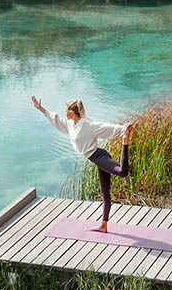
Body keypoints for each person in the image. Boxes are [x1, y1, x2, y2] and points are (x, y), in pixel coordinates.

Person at [31, 95, 133, 233]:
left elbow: (105, 127)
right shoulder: (70, 125)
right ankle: (103, 225)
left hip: (99, 156)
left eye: (65, 110)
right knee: (105, 193)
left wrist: (123, 129)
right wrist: (40, 108)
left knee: (122, 172)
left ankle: (125, 143)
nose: (64, 112)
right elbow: (55, 119)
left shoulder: (87, 124)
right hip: (94, 158)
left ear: (71, 113)